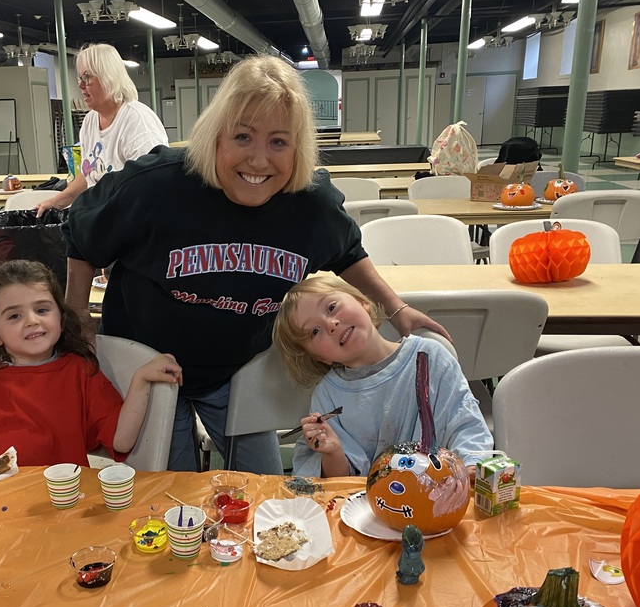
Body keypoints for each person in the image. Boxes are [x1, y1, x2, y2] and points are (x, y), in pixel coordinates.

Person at [63, 54, 448, 474]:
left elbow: (347, 252)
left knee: (263, 486)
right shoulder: (155, 186)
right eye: (243, 137)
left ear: (297, 147)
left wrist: (397, 308)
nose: (260, 160)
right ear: (216, 136)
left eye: (278, 142)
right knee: (168, 492)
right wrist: (78, 315)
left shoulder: (309, 205)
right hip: (150, 368)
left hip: (237, 371)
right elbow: (82, 236)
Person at [0, 259, 182, 465]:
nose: (32, 320)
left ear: (61, 319)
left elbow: (121, 440)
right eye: (14, 316)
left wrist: (141, 380)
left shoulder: (80, 372)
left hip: (60, 508)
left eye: (42, 309)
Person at [272, 275, 492, 478]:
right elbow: (340, 484)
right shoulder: (327, 395)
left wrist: (472, 465)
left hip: (441, 494)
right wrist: (333, 452)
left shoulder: (428, 356)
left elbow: (466, 425)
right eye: (314, 332)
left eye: (331, 307)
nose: (331, 325)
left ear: (362, 302)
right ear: (319, 357)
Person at [34, 43, 168, 288]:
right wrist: (59, 199)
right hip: (106, 230)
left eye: (88, 77)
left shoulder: (136, 120)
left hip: (136, 237)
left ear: (109, 77)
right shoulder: (90, 122)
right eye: (79, 78)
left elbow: (153, 187)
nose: (81, 85)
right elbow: (89, 175)